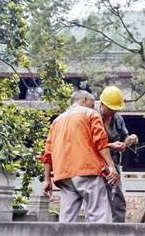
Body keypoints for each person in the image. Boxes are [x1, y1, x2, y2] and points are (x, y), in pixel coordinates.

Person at [40, 90, 118, 223]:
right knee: (99, 216)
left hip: (64, 175)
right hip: (87, 170)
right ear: (84, 99)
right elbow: (100, 142)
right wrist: (111, 166)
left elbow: (48, 153)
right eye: (92, 104)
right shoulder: (90, 113)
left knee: (66, 220)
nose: (94, 107)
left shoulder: (57, 121)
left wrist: (47, 179)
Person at [98, 86, 139, 223]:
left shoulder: (118, 119)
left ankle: (118, 229)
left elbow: (124, 139)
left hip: (113, 165)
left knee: (117, 200)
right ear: (102, 104)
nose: (112, 112)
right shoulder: (92, 117)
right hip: (95, 164)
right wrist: (111, 146)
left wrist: (130, 140)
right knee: (97, 200)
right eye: (109, 109)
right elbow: (87, 143)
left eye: (115, 109)